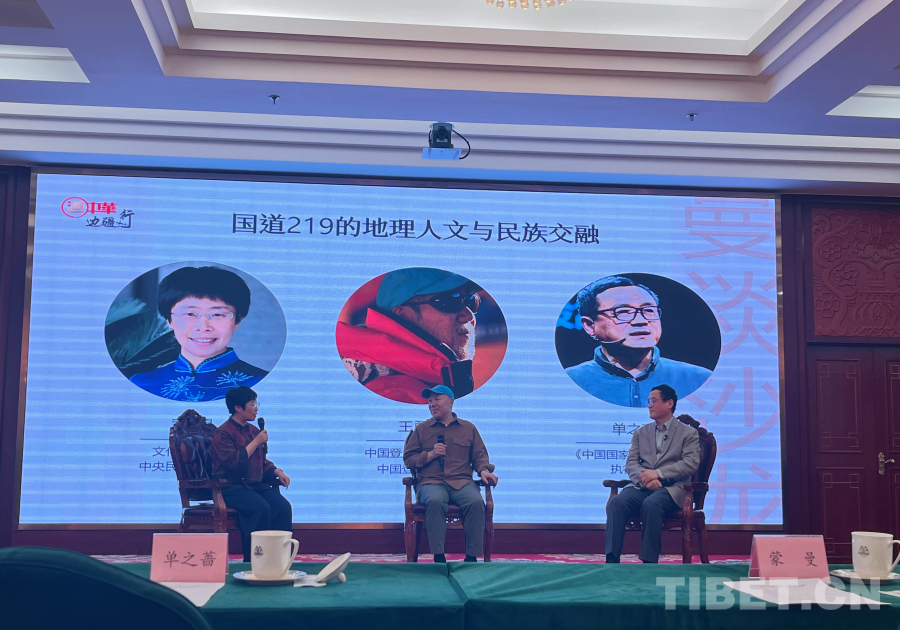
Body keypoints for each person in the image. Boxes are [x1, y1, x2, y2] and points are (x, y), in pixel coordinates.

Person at [337, 268, 480, 404]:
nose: (469, 316)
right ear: (402, 314)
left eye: (471, 301)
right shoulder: (397, 393)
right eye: (449, 301)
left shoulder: (426, 381)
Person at [565, 276, 711, 407]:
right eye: (622, 312)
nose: (640, 321)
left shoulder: (699, 378)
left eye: (649, 310)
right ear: (589, 326)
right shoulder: (570, 380)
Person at [130, 266, 268, 402]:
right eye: (190, 314)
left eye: (217, 314)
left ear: (237, 321)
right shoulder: (140, 383)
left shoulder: (264, 383)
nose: (203, 327)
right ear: (169, 320)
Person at [605, 384, 700, 563]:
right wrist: (645, 479)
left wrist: (658, 474)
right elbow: (631, 463)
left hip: (672, 487)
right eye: (648, 401)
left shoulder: (688, 433)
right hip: (642, 485)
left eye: (653, 401)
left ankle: (649, 563)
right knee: (617, 502)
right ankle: (611, 560)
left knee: (652, 504)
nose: (649, 405)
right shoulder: (641, 432)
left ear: (669, 403)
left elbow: (690, 463)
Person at [402, 385, 498, 562]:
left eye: (436, 400)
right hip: (431, 482)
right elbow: (409, 459)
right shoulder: (422, 429)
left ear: (450, 402)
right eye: (430, 401)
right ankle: (438, 556)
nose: (432, 404)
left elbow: (479, 456)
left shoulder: (468, 428)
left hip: (462, 482)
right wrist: (430, 455)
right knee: (435, 500)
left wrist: (484, 471)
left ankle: (472, 557)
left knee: (476, 502)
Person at [211, 386, 292, 562]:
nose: (256, 408)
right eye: (252, 404)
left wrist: (277, 471)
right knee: (260, 508)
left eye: (256, 404)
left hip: (254, 485)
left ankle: (280, 559)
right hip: (232, 487)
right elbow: (233, 463)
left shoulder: (253, 430)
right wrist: (255, 442)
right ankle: (256, 561)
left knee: (282, 507)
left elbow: (260, 462)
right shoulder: (223, 433)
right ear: (238, 407)